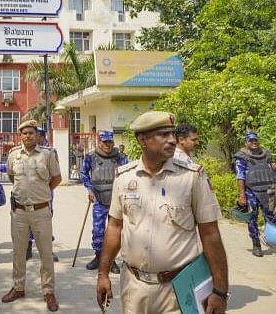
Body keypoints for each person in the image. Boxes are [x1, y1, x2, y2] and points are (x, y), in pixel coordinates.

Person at [96, 111, 228, 314]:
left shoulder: (192, 176)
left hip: (179, 289)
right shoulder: (124, 177)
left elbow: (210, 233)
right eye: (163, 134)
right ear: (143, 140)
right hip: (134, 287)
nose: (172, 140)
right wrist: (103, 274)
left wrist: (220, 291)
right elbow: (114, 227)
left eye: (172, 134)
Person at [1, 120, 61, 312]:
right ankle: (18, 287)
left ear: (37, 135)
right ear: (20, 136)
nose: (28, 136)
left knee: (45, 254)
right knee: (18, 252)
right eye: (24, 133)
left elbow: (57, 178)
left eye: (31, 133)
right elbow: (12, 176)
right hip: (19, 212)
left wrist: (43, 192)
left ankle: (49, 291)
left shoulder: (47, 154)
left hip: (41, 211)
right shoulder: (13, 155)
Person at [79, 130, 128, 273]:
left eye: (110, 142)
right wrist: (89, 189)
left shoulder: (121, 157)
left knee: (115, 231)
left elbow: (127, 173)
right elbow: (83, 173)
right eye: (104, 142)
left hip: (116, 199)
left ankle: (111, 260)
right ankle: (98, 257)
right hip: (99, 199)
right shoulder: (91, 157)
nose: (107, 144)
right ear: (99, 142)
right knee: (98, 230)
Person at [234, 132, 276, 257]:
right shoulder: (242, 157)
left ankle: (272, 241)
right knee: (252, 219)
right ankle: (256, 245)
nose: (254, 142)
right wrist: (242, 196)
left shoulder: (267, 155)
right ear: (246, 142)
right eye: (251, 140)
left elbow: (273, 175)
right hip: (251, 192)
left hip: (268, 192)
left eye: (255, 140)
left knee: (272, 218)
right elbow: (240, 177)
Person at [26, 127, 60, 262]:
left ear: (41, 136)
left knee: (45, 220)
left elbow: (56, 174)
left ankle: (47, 250)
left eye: (35, 135)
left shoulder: (50, 152)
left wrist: (47, 190)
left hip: (45, 193)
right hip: (29, 192)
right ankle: (27, 248)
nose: (31, 137)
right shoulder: (28, 150)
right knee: (27, 219)